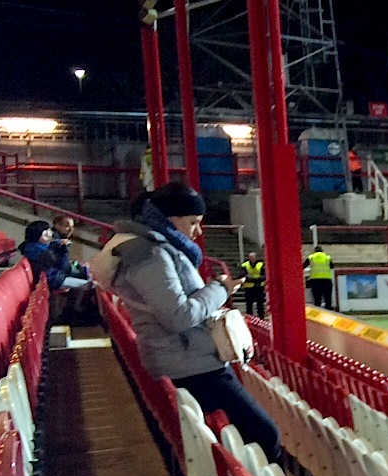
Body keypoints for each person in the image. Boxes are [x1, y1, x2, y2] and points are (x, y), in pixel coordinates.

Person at [99, 181, 280, 458]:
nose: (198, 231)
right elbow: (178, 316)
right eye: (193, 222)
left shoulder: (155, 248)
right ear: (170, 218)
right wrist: (221, 289)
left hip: (190, 358)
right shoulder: (151, 254)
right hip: (189, 364)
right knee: (266, 434)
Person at [239, 250, 267, 318]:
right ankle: (250, 317)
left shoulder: (261, 264)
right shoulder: (245, 265)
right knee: (249, 304)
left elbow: (264, 276)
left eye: (253, 257)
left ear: (255, 257)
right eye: (250, 257)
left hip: (259, 287)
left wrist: (254, 279)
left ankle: (261, 317)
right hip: (249, 287)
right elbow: (242, 275)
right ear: (248, 257)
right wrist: (248, 278)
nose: (252, 258)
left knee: (260, 303)